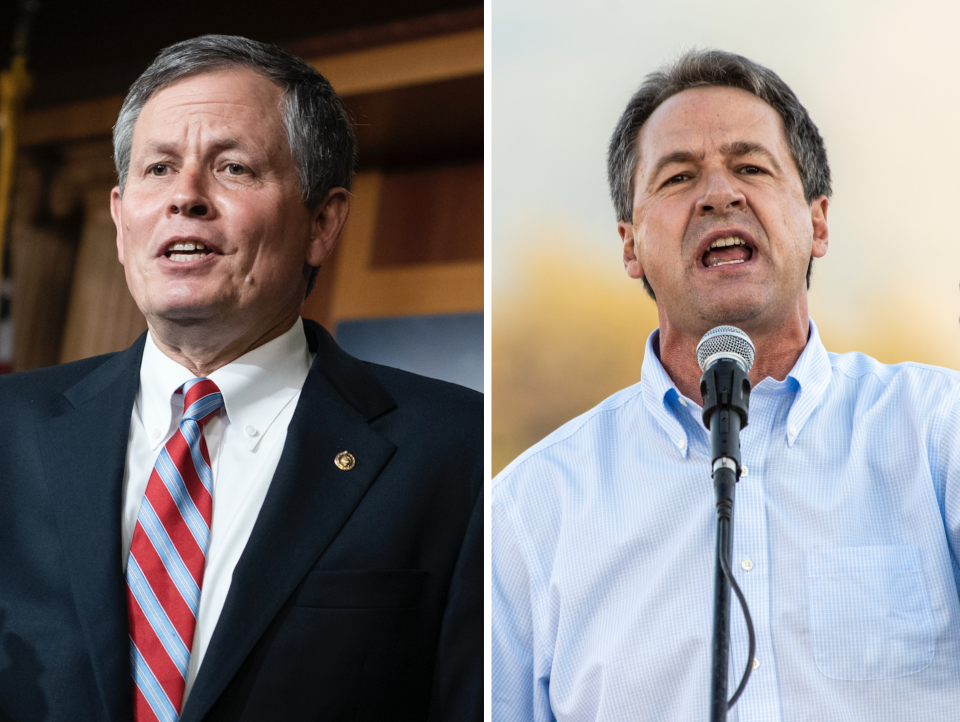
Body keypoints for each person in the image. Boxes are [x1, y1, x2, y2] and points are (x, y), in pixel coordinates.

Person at [0, 35, 482, 722]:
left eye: (233, 168)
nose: (185, 198)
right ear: (118, 219)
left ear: (322, 221)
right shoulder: (7, 428)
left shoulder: (457, 451)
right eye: (159, 168)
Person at [492, 49, 960, 721]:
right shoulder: (528, 513)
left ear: (817, 220)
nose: (719, 193)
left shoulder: (939, 435)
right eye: (680, 177)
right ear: (630, 244)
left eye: (750, 166)